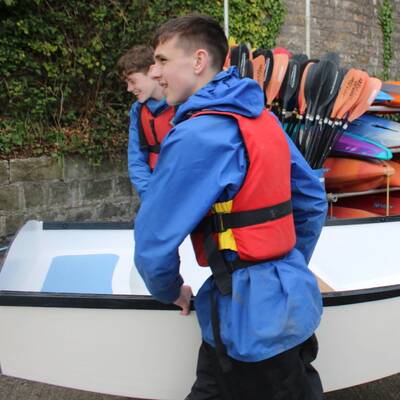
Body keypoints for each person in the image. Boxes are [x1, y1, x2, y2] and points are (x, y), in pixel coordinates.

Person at [134, 14, 328, 400]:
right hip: (288, 303)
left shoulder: (196, 135)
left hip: (247, 323)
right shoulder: (263, 119)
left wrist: (170, 291)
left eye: (162, 60)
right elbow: (311, 200)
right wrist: (285, 265)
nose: (155, 73)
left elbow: (154, 241)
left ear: (199, 61)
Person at [117, 45, 175, 198]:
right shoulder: (138, 111)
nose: (129, 88)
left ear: (152, 71)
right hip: (154, 191)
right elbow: (136, 160)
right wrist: (151, 197)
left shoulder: (182, 104)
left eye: (132, 81)